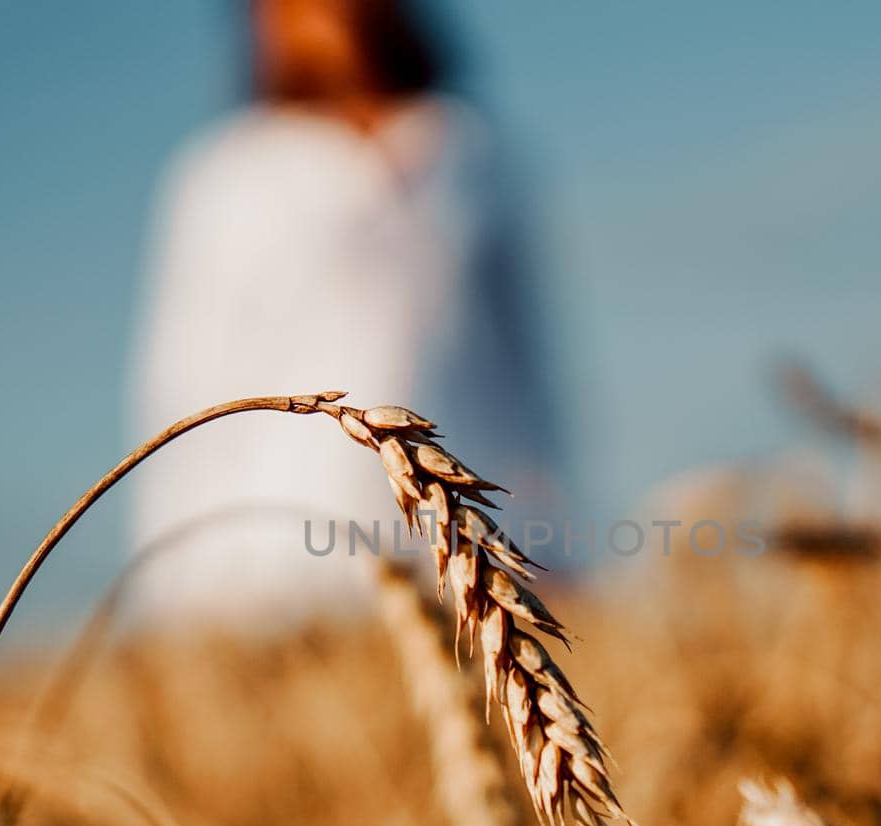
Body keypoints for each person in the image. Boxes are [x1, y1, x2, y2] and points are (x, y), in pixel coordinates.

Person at [129, 0, 561, 624]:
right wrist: (174, 576)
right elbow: (182, 375)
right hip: (280, 543)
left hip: (468, 525)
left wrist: (551, 526)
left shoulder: (473, 149)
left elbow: (527, 357)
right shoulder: (224, 173)